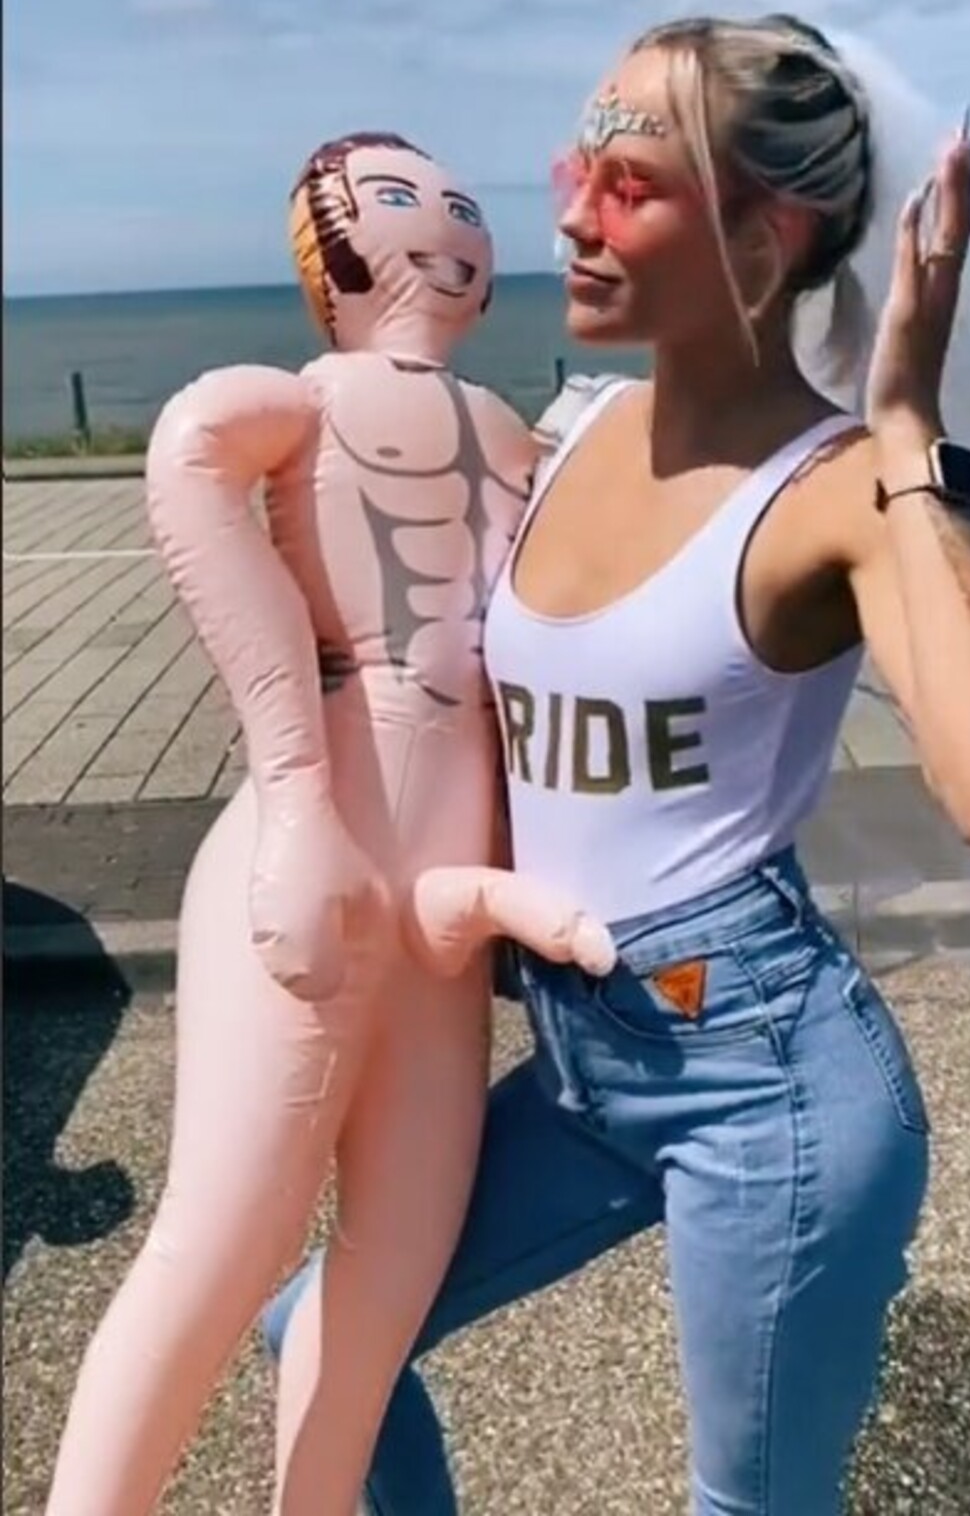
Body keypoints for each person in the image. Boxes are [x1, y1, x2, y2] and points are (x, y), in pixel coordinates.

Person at [264, 15, 970, 1516]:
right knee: (314, 1342)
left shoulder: (838, 488)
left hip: (763, 1078)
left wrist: (906, 427)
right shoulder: (576, 432)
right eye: (577, 168)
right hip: (584, 1054)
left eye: (628, 184)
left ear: (766, 238)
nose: (571, 214)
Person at [43, 133, 609, 1516]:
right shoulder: (299, 402)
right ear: (332, 247)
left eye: (460, 204)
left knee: (395, 1264)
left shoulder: (518, 435)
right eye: (399, 200)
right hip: (306, 859)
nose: (447, 227)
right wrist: (296, 786)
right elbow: (191, 457)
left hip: (445, 913)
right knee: (221, 1247)